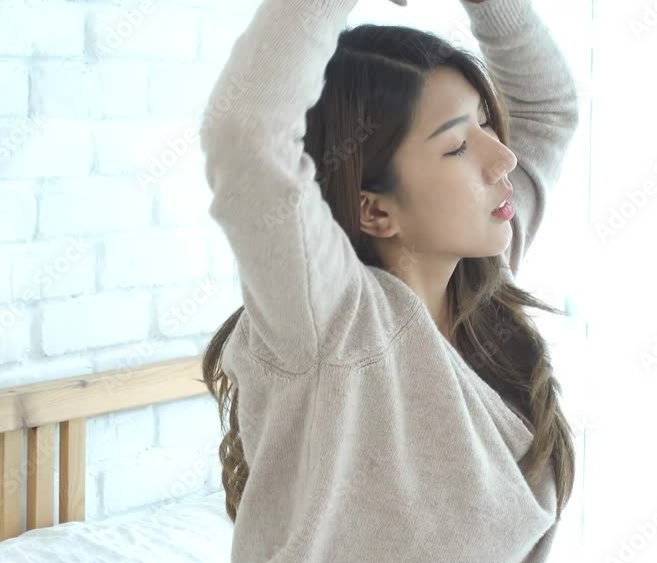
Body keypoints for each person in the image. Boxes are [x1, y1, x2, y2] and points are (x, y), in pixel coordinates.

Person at [199, 0, 580, 560]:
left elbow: (548, 110)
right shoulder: (335, 320)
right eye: (457, 145)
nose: (503, 159)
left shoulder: (478, 284)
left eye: (484, 123)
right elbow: (247, 135)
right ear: (375, 211)